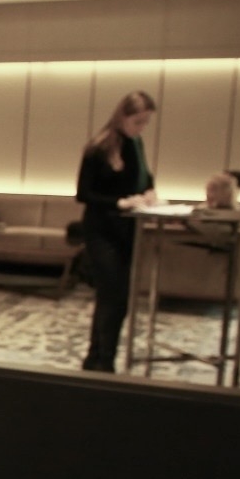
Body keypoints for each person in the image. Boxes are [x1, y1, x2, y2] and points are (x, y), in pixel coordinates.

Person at [76, 91, 158, 372]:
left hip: (127, 230)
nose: (142, 127)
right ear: (123, 116)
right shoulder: (99, 147)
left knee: (114, 298)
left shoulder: (135, 144)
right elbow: (84, 193)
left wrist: (149, 192)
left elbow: (143, 178)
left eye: (146, 122)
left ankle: (97, 357)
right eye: (138, 121)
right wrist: (120, 202)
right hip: (102, 229)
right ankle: (104, 360)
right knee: (114, 296)